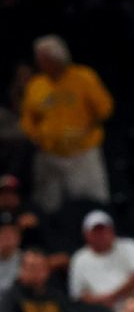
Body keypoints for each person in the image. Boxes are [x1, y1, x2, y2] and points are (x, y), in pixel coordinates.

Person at [19, 35, 114, 214]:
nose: (41, 63)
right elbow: (28, 118)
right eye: (40, 59)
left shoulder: (83, 77)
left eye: (44, 59)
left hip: (82, 153)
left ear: (57, 59)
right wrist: (35, 135)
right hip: (49, 155)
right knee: (48, 205)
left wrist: (87, 126)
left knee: (91, 202)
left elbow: (105, 108)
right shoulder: (36, 84)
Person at [68, 211, 134, 312]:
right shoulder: (79, 258)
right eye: (96, 232)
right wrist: (100, 301)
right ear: (86, 235)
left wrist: (114, 296)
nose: (101, 236)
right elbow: (78, 294)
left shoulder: (129, 245)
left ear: (112, 231)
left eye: (104, 230)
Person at [0, 248, 71, 312]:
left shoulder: (58, 296)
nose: (36, 272)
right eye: (31, 267)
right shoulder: (11, 297)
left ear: (47, 270)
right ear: (21, 270)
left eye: (40, 267)